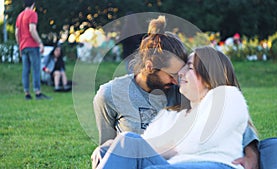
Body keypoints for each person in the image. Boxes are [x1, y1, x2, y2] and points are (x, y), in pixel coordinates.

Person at [92, 16, 277, 169]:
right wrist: (107, 148)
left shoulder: (199, 95)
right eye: (173, 74)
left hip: (191, 161)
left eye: (187, 69)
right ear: (149, 66)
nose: (178, 78)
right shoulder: (109, 95)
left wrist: (250, 157)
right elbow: (108, 147)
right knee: (129, 142)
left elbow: (237, 129)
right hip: (151, 159)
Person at [96, 46, 253, 169]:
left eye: (189, 68)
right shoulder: (172, 115)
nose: (181, 74)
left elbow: (198, 140)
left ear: (208, 76)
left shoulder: (225, 97)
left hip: (214, 163)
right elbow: (144, 144)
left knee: (131, 145)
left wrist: (152, 147)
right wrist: (112, 147)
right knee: (125, 142)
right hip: (173, 165)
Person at [15, 0, 51, 100]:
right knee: (36, 69)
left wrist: (20, 46)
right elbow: (32, 29)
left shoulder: (20, 16)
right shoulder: (32, 14)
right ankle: (37, 92)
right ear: (33, 4)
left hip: (23, 46)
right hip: (32, 45)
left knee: (25, 70)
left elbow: (16, 33)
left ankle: (27, 93)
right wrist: (40, 43)